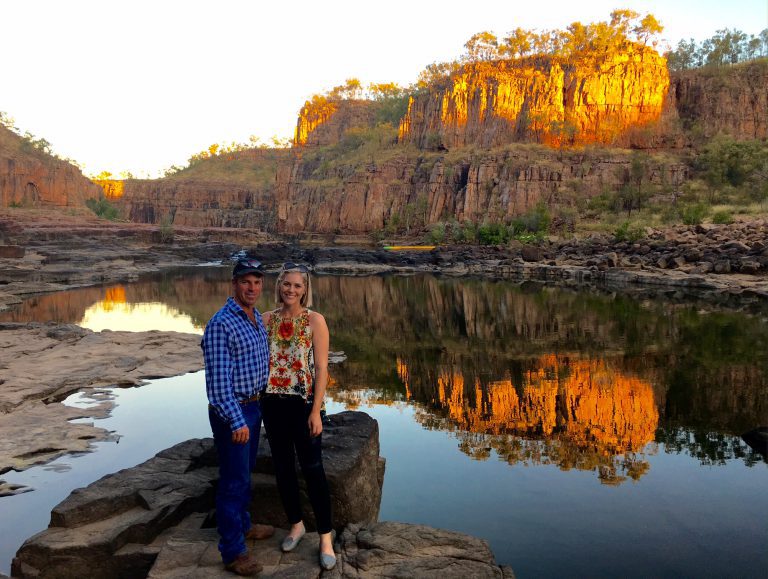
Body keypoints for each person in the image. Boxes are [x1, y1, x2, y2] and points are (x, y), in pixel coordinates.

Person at [260, 262, 336, 571]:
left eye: (297, 285)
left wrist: (316, 410)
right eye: (286, 284)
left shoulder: (315, 321)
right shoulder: (265, 320)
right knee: (283, 468)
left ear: (305, 290)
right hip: (272, 403)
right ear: (278, 286)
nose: (291, 289)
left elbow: (322, 369)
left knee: (313, 469)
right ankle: (296, 524)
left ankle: (326, 537)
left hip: (303, 404)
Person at [201, 258, 275, 576]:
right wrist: (236, 420)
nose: (252, 288)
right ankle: (233, 552)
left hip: (254, 406)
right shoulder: (221, 324)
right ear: (234, 283)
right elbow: (218, 386)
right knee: (234, 481)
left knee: (244, 473)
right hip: (234, 410)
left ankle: (243, 525)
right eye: (246, 281)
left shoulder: (255, 316)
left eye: (257, 282)